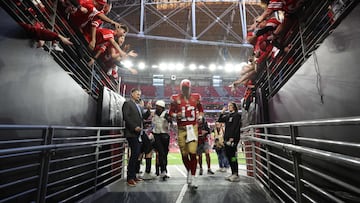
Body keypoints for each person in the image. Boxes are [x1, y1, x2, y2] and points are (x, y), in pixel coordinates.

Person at [169, 79, 204, 189]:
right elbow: (170, 112)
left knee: (193, 152)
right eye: (183, 88)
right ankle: (190, 170)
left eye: (186, 88)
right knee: (184, 154)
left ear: (189, 88)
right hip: (181, 128)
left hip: (192, 127)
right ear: (181, 88)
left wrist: (200, 116)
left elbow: (201, 109)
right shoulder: (175, 98)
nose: (185, 90)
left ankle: (193, 176)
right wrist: (175, 115)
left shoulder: (196, 97)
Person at [122, 88, 151, 187]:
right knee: (134, 155)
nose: (139, 95)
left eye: (140, 94)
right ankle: (130, 178)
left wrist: (148, 109)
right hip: (132, 133)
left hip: (139, 134)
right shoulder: (127, 104)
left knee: (137, 154)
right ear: (132, 94)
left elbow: (144, 117)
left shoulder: (138, 106)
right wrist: (134, 127)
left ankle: (133, 176)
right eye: (137, 94)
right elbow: (126, 117)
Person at [218, 102, 242, 182]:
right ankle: (233, 173)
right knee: (228, 156)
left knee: (233, 156)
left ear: (234, 107)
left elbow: (236, 127)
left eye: (230, 106)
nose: (229, 107)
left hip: (233, 139)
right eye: (228, 106)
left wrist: (233, 137)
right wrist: (222, 112)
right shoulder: (228, 116)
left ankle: (236, 173)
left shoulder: (237, 115)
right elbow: (220, 120)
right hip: (227, 138)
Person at [152, 100, 172, 180]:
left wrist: (169, 119)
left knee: (165, 153)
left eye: (158, 106)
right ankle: (162, 170)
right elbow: (152, 122)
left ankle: (164, 169)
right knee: (161, 153)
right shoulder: (154, 114)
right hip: (157, 134)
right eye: (156, 106)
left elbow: (171, 121)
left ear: (162, 107)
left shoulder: (166, 114)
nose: (157, 108)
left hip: (165, 135)